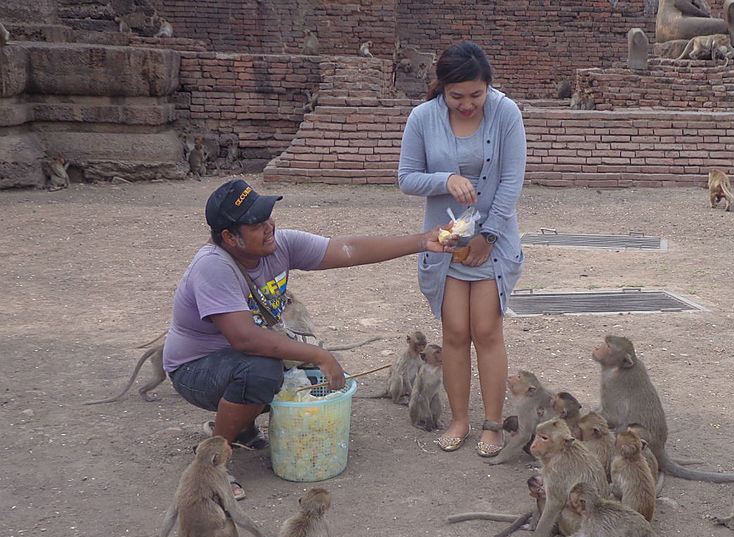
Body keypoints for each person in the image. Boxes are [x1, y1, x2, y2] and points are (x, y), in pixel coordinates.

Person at [163, 178, 455, 499]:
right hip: (196, 370)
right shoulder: (213, 266)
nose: (269, 226)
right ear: (230, 237)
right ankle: (213, 463)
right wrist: (320, 355)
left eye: (268, 217)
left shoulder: (279, 245)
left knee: (313, 379)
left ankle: (241, 426)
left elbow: (349, 249)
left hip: (240, 359)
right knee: (263, 372)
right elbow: (245, 339)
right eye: (257, 224)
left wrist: (423, 241)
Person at [398, 41, 527, 457]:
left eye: (476, 94)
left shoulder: (507, 114)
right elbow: (406, 177)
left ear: (488, 86)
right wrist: (445, 179)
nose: (468, 104)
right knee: (454, 333)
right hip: (445, 243)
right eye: (457, 97)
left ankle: (492, 423)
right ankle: (459, 419)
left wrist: (488, 237)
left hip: (492, 240)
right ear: (442, 89)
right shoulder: (422, 118)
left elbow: (511, 180)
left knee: (486, 330)